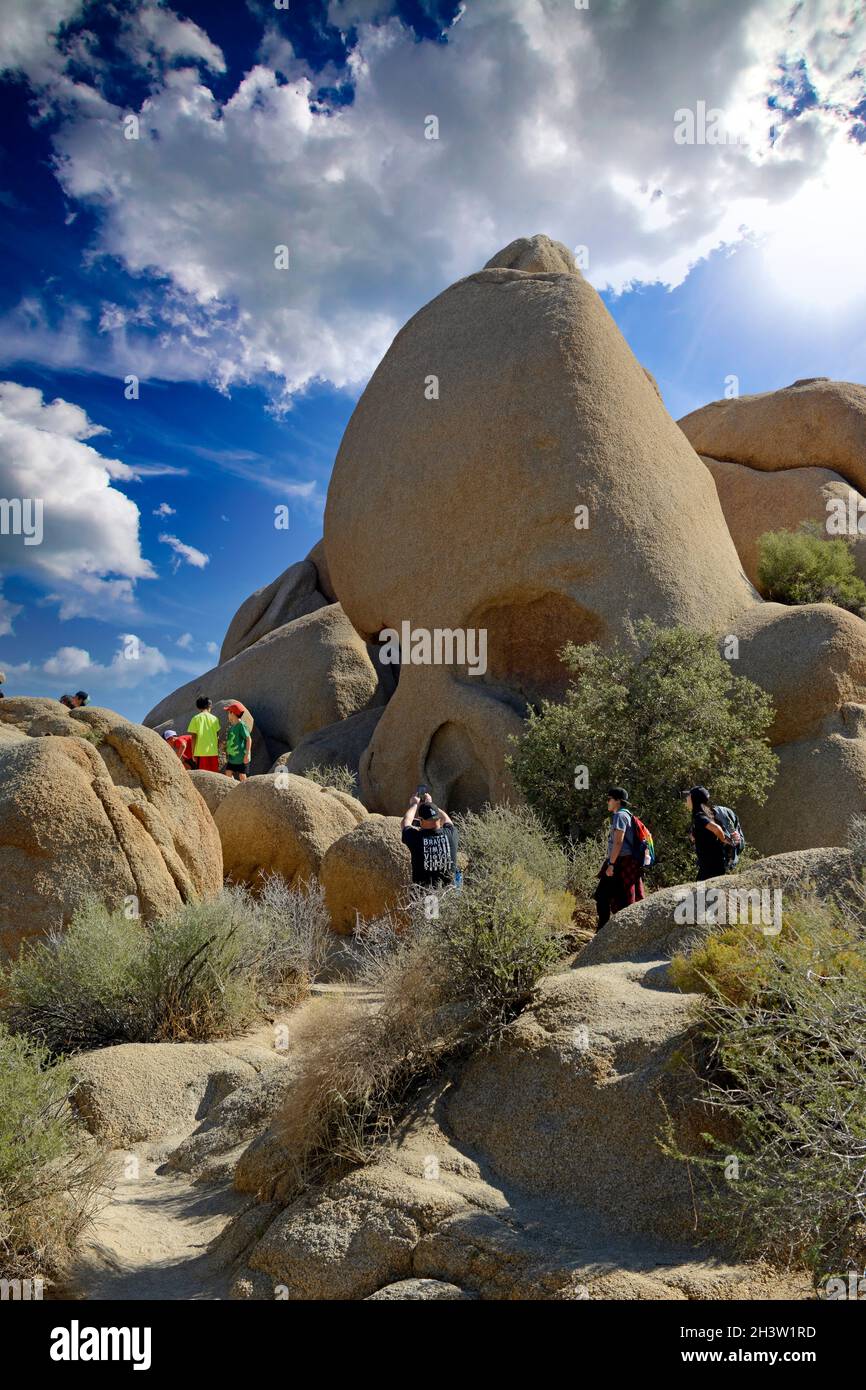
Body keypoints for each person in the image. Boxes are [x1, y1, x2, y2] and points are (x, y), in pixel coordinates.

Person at [594, 786, 645, 929]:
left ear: (617, 801)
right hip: (625, 863)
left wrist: (611, 864)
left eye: (609, 799)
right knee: (621, 899)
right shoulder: (627, 815)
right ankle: (612, 930)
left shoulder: (620, 816)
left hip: (619, 863)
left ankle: (603, 930)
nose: (607, 802)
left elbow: (618, 841)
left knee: (602, 896)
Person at [400, 789, 457, 887]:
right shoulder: (451, 834)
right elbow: (447, 819)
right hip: (448, 897)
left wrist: (414, 804)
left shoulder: (416, 838)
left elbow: (405, 822)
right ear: (438, 819)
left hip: (424, 898)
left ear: (420, 820)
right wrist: (431, 805)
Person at [684, 785, 729, 881]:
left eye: (688, 796)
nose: (687, 798)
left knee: (702, 894)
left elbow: (716, 828)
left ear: (694, 799)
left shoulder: (699, 816)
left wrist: (723, 839)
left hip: (711, 866)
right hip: (712, 864)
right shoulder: (705, 813)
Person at [187, 696, 220, 772]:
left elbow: (194, 737)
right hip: (213, 752)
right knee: (214, 775)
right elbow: (217, 736)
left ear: (198, 707)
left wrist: (193, 753)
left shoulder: (195, 718)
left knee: (203, 776)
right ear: (210, 706)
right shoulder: (215, 718)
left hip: (200, 752)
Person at [223, 702, 252, 781]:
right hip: (232, 758)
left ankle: (244, 790)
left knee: (242, 775)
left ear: (232, 713)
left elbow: (248, 738)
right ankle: (234, 787)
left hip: (242, 758)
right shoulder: (231, 727)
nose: (227, 715)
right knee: (228, 773)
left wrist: (247, 753)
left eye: (228, 713)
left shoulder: (241, 725)